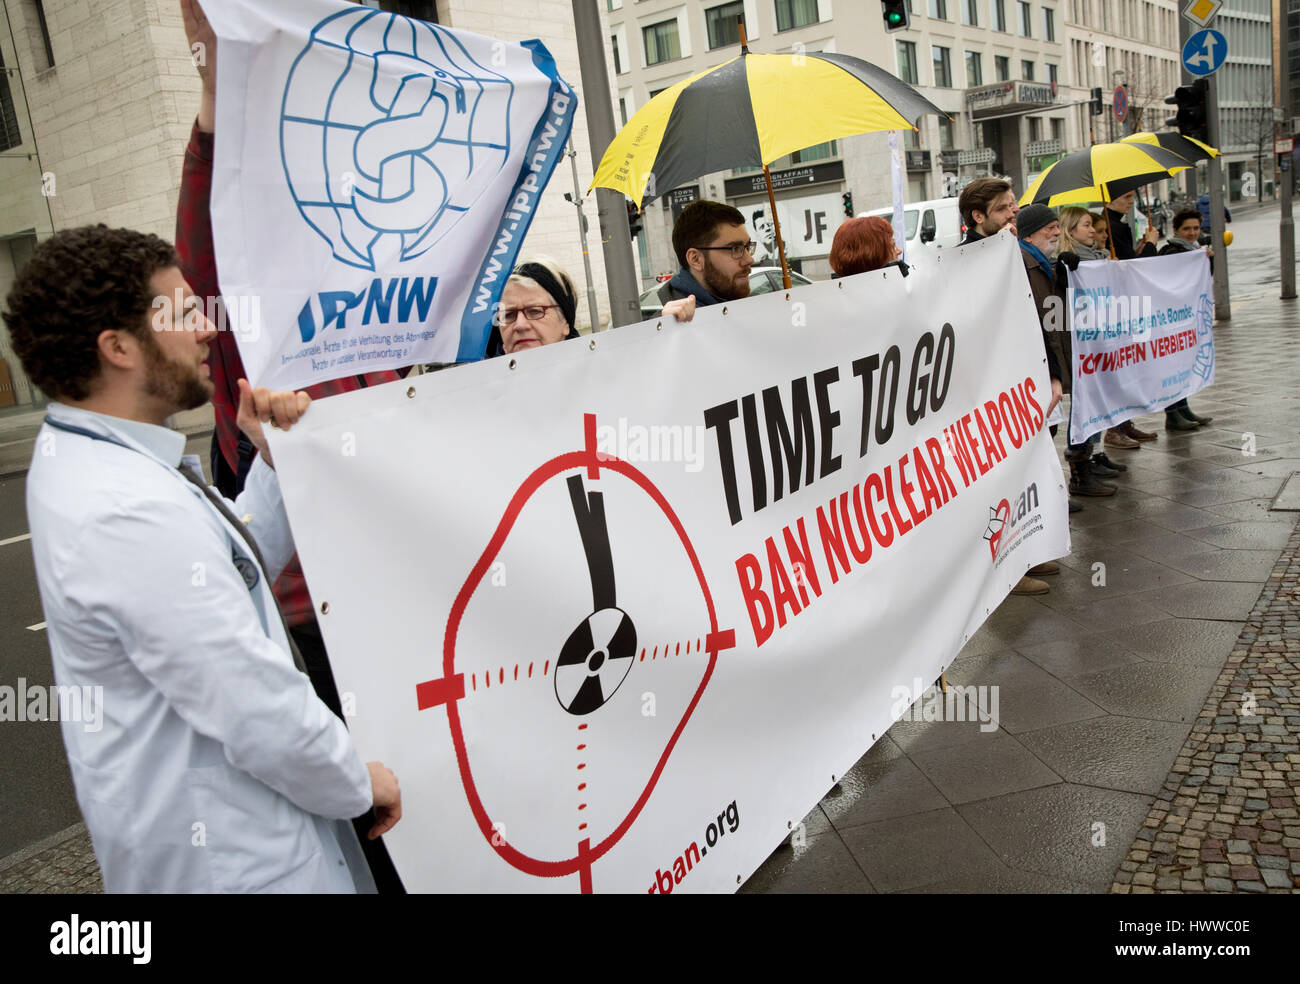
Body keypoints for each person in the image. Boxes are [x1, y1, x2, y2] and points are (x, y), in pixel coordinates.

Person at [4, 224, 402, 892]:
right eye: (185, 312)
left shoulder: (104, 463)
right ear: (119, 347)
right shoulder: (124, 507)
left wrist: (276, 459)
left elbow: (232, 562)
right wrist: (354, 780)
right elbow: (250, 702)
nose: (206, 330)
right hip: (237, 865)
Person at [179, 0, 406, 890]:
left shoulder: (393, 311)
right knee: (376, 814)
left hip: (417, 595)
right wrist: (214, 91)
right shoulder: (248, 321)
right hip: (325, 621)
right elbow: (197, 263)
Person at [1057, 207, 1154, 451]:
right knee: (1088, 400)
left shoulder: (1098, 257)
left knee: (1101, 398)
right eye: (1087, 225)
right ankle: (1081, 458)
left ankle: (1095, 452)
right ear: (1070, 230)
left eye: (1093, 226)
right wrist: (1063, 266)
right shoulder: (1067, 259)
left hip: (1105, 337)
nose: (1092, 231)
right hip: (1085, 341)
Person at [1157, 210, 1215, 431]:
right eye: (1187, 229)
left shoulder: (1196, 250)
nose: (1192, 233)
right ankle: (1172, 414)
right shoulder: (1171, 251)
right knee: (1172, 365)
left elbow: (1204, 280)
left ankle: (1183, 407)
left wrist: (1208, 259)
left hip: (1187, 318)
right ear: (1176, 230)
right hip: (1171, 319)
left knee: (1183, 364)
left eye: (1196, 228)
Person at [657, 200, 755, 308]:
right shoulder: (672, 322)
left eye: (748, 246)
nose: (750, 259)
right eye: (735, 249)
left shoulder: (733, 306)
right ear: (696, 259)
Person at [828, 216, 907, 277]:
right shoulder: (893, 294)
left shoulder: (831, 295)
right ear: (873, 255)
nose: (899, 251)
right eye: (893, 246)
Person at [958, 177, 1019, 245]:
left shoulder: (1010, 242)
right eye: (1001, 209)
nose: (1011, 214)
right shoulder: (963, 254)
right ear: (978, 217)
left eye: (1009, 206)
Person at [1104, 190, 1158, 259]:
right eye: (1127, 197)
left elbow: (1129, 257)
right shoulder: (1112, 226)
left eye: (1132, 196)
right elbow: (1132, 266)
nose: (1132, 201)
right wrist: (1151, 243)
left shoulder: (1114, 222)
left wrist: (1142, 248)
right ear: (1110, 199)